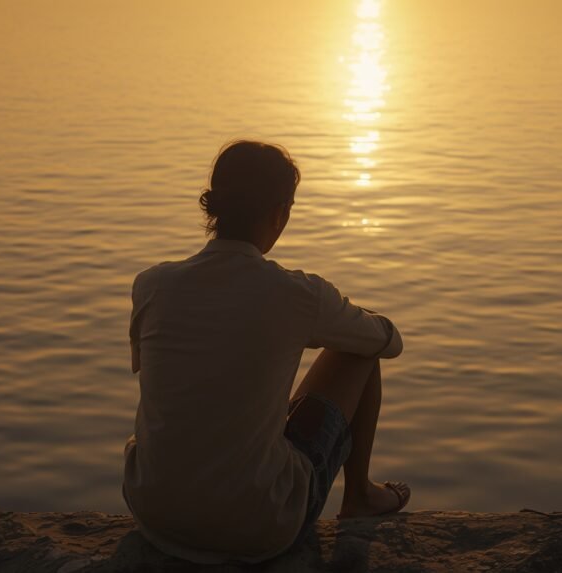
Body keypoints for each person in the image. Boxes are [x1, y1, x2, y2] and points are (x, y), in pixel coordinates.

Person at [121, 140, 411, 564]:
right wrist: (344, 316)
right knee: (358, 353)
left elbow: (162, 376)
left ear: (213, 208)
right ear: (280, 213)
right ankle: (361, 495)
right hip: (257, 526)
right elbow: (389, 341)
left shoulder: (152, 285)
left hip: (154, 512)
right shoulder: (299, 294)